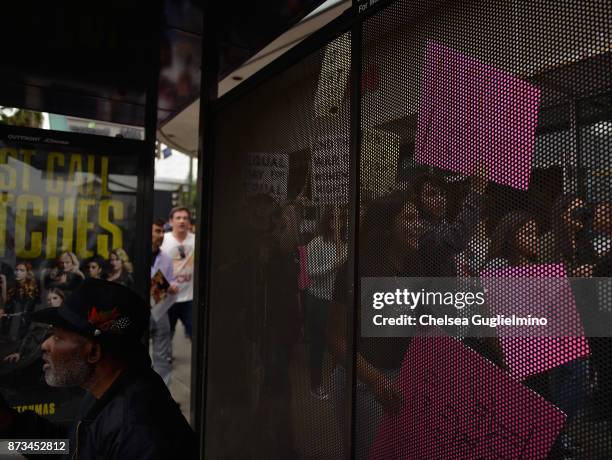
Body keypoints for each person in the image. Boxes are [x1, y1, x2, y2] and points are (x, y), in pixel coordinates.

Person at [0, 278, 196, 459]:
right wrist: (9, 424)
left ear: (93, 353)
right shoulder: (106, 390)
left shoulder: (138, 431)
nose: (45, 345)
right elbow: (69, 447)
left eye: (58, 338)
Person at [328, 191, 425, 458]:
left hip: (398, 381)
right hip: (364, 383)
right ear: (386, 228)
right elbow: (337, 339)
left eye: (419, 218)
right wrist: (375, 380)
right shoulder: (357, 270)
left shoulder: (413, 267)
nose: (419, 225)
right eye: (409, 218)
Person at [304, 206, 347, 399]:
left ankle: (336, 383)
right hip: (318, 300)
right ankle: (315, 385)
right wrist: (334, 266)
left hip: (336, 302)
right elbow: (310, 273)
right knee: (318, 345)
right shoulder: (316, 243)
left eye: (340, 220)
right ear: (326, 222)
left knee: (338, 344)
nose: (337, 224)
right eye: (333, 220)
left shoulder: (344, 244)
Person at [414, 172, 486, 276]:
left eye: (442, 194)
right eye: (432, 194)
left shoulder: (442, 225)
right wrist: (476, 191)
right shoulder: (420, 229)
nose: (440, 200)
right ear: (418, 200)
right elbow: (457, 239)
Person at [150, 219, 179, 386]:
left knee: (163, 356)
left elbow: (170, 280)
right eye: (157, 231)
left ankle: (161, 395)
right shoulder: (137, 254)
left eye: (162, 232)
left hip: (160, 311)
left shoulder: (166, 258)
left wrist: (173, 286)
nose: (161, 235)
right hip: (142, 309)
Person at [161, 206, 195, 339]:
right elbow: (154, 267)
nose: (182, 221)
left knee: (195, 333)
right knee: (166, 334)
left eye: (185, 218)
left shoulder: (196, 240)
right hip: (168, 298)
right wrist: (165, 286)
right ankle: (167, 358)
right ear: (171, 221)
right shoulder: (163, 240)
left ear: (189, 222)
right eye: (178, 218)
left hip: (190, 298)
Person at [3, 262, 39, 341]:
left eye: (22, 270)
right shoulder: (13, 287)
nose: (18, 272)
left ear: (27, 273)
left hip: (23, 327)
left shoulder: (31, 289)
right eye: (16, 270)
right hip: (10, 325)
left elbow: (28, 310)